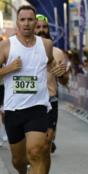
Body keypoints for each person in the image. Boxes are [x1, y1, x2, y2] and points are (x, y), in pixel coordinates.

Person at [0, 5, 65, 174]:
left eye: (31, 19)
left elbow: (52, 67)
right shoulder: (6, 46)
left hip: (38, 107)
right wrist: (9, 68)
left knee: (36, 152)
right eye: (23, 20)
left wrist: (61, 73)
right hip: (13, 109)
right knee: (19, 159)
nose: (28, 23)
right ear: (17, 22)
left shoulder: (46, 45)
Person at [35, 16, 68, 166]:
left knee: (47, 140)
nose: (42, 30)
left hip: (50, 99)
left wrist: (61, 74)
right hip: (30, 101)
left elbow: (64, 81)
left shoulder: (57, 52)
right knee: (34, 143)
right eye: (38, 27)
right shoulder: (22, 51)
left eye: (44, 27)